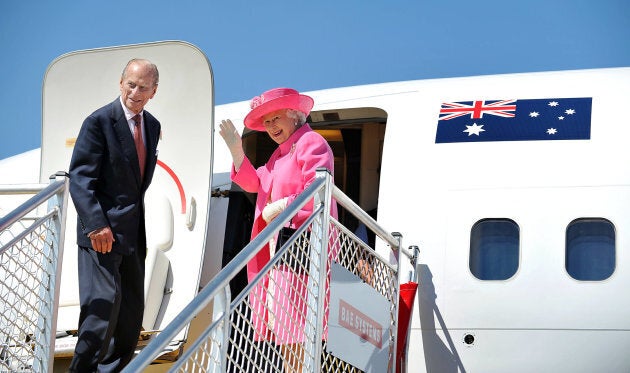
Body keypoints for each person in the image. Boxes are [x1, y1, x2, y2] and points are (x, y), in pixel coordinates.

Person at [219, 87, 338, 372]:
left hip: (302, 247)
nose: (271, 126)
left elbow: (318, 190)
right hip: (281, 250)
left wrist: (280, 206)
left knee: (295, 328)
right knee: (286, 328)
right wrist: (237, 150)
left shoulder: (311, 142)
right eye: (267, 122)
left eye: (276, 118)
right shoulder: (278, 155)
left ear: (295, 115)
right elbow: (255, 183)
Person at [68, 58, 161, 372]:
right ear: (121, 83)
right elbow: (80, 179)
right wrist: (96, 224)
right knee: (102, 310)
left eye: (143, 87)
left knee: (130, 315)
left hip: (133, 236)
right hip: (101, 234)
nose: (135, 92)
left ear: (153, 91)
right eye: (130, 84)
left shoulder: (152, 126)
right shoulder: (99, 122)